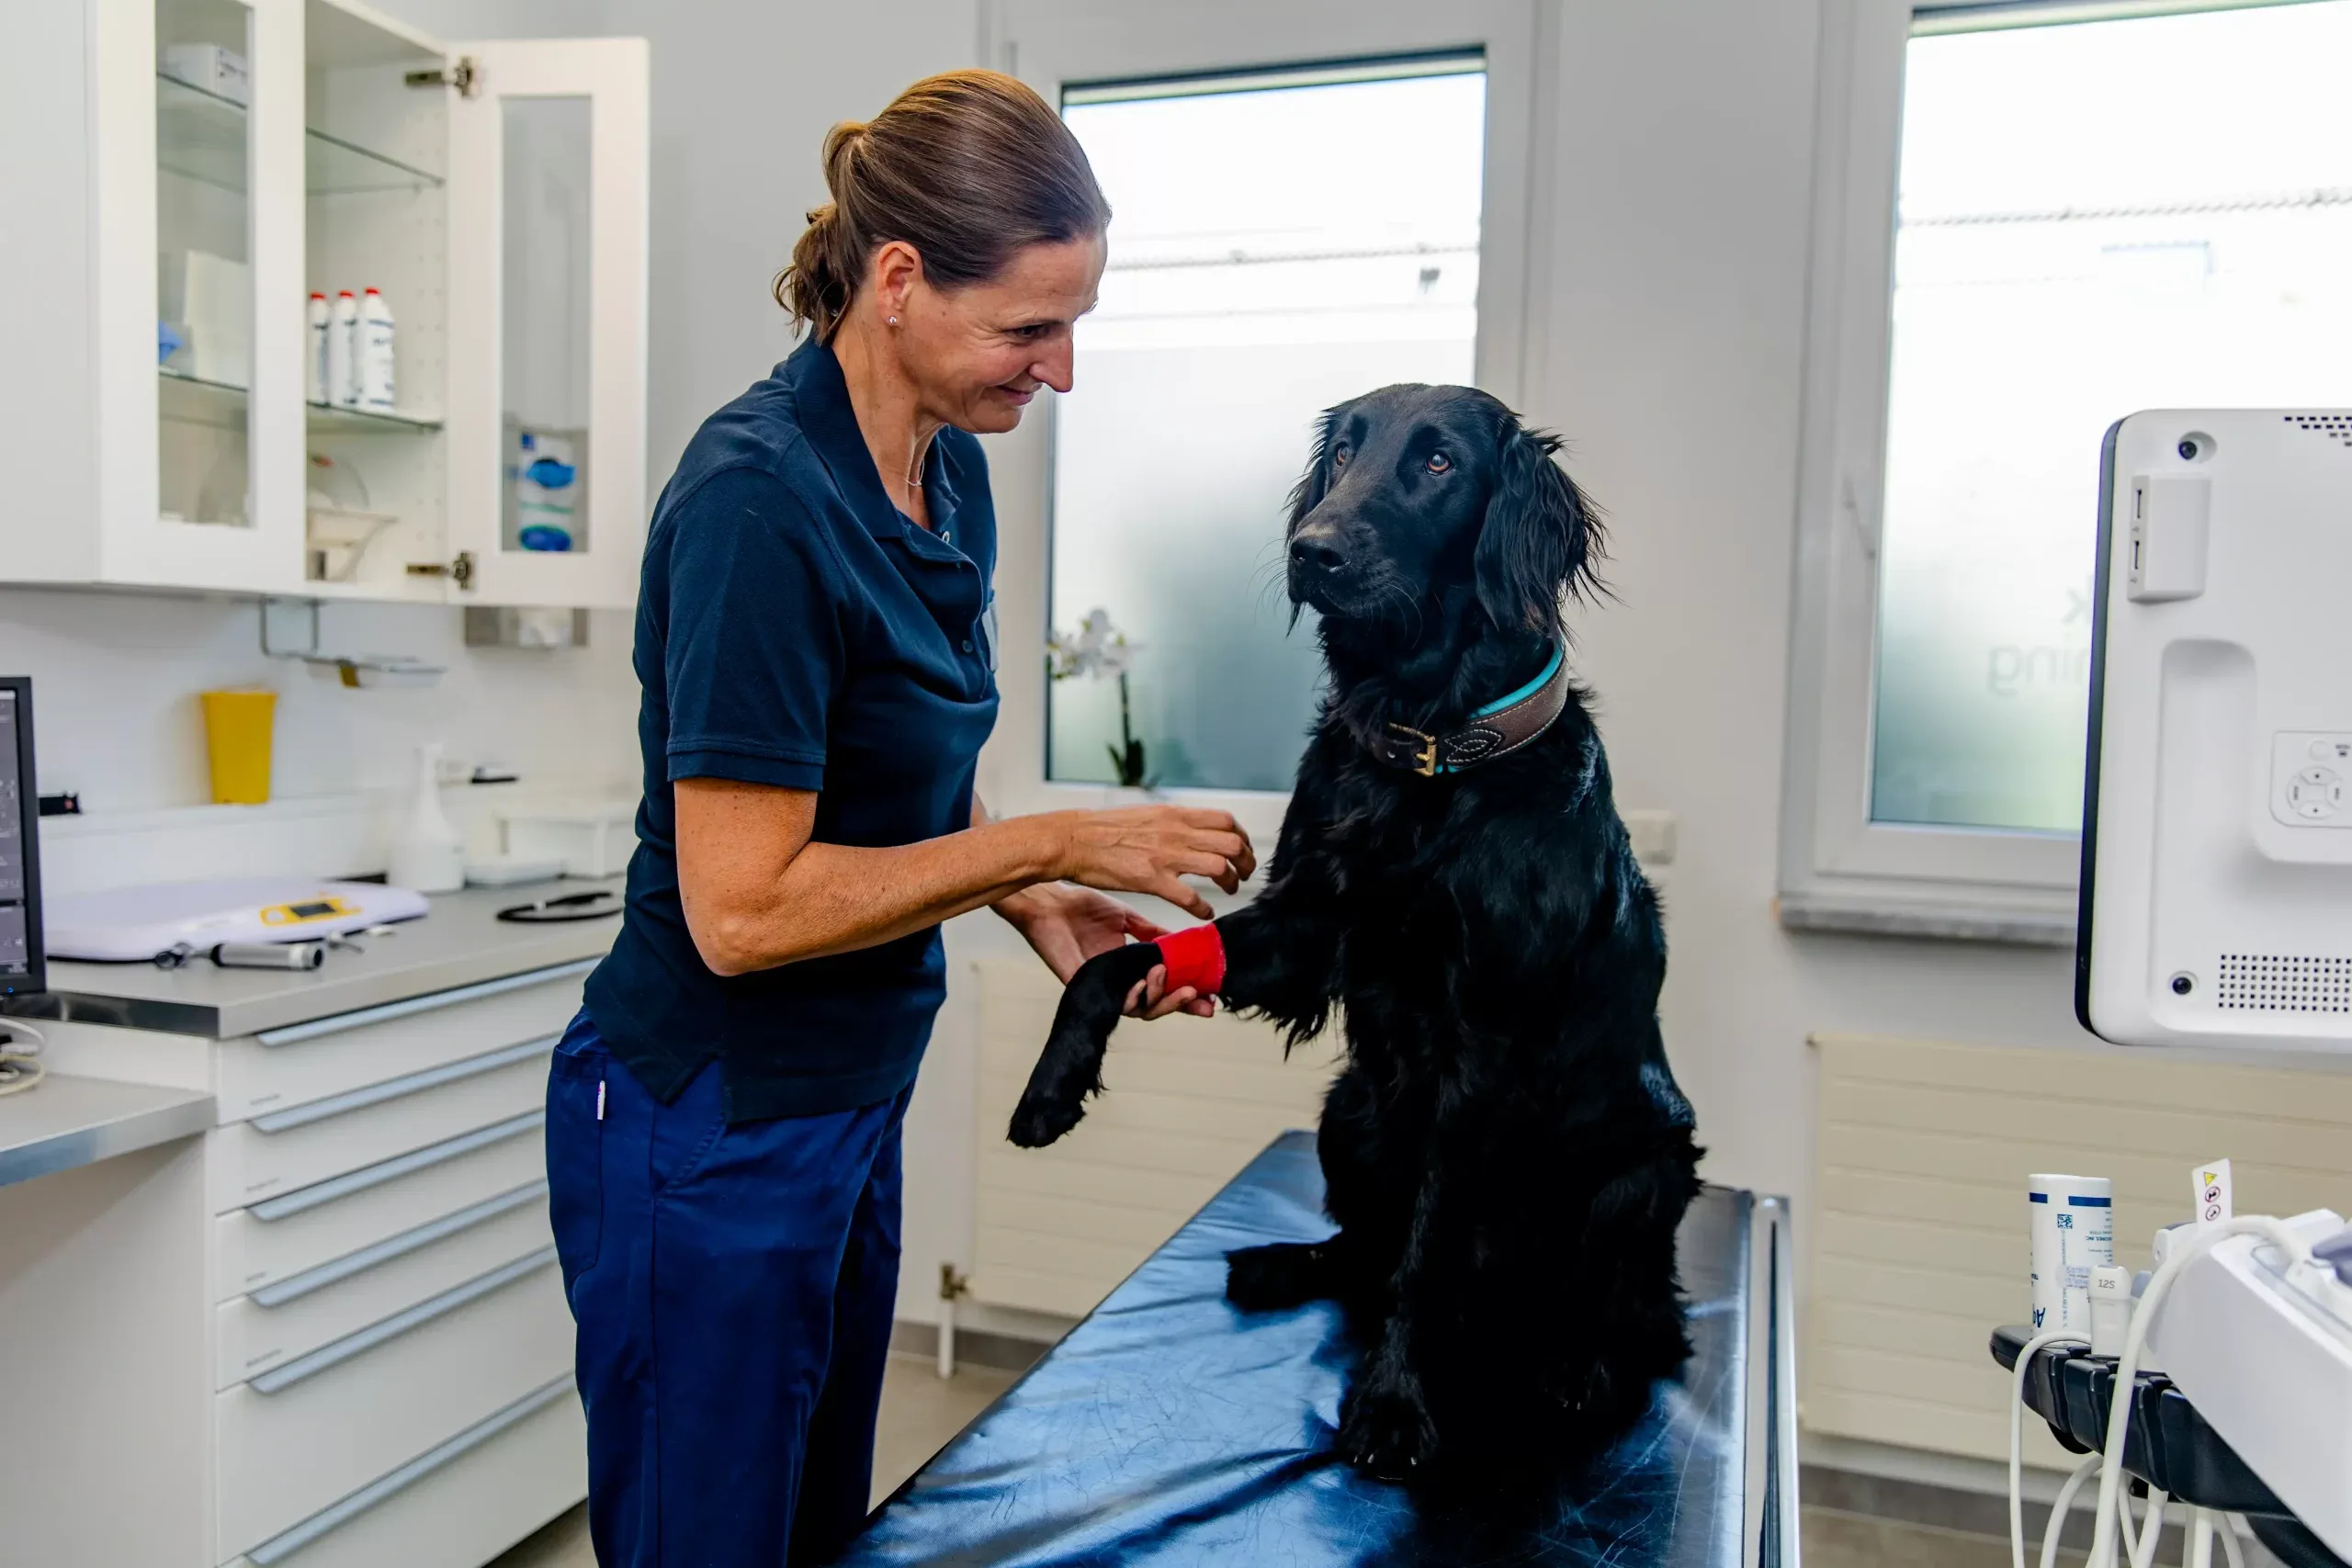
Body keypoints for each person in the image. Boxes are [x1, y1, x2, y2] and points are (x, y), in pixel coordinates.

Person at [544, 70, 1256, 1567]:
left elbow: (892, 760)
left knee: (814, 1535)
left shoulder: (946, 474)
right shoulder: (756, 505)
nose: (1062, 370)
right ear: (896, 281)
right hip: (710, 1119)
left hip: (849, 1099)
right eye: (1029, 328)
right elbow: (742, 915)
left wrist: (1029, 900)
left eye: (1076, 321)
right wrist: (1054, 844)